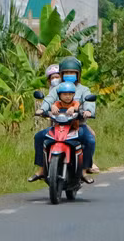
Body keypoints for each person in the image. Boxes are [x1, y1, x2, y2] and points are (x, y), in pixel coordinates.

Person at [27, 56, 97, 184]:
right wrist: (42, 109)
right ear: (61, 74)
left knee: (90, 140)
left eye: (72, 73)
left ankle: (84, 171)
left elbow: (89, 102)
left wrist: (88, 111)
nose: (69, 75)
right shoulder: (57, 88)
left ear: (78, 74)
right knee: (39, 136)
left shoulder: (83, 89)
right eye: (66, 73)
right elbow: (48, 99)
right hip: (58, 126)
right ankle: (42, 169)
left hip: (78, 126)